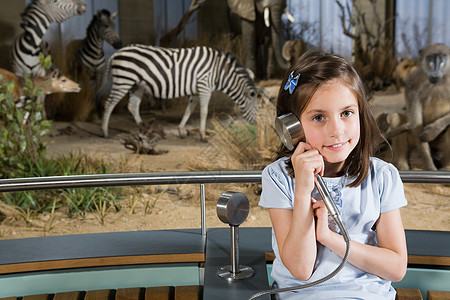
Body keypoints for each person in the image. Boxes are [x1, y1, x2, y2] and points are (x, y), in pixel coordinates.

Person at [259, 50, 408, 299]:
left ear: (360, 113)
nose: (337, 131)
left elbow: (396, 268)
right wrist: (304, 189)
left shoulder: (382, 176)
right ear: (290, 127)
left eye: (347, 113)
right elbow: (300, 268)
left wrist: (329, 238)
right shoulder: (278, 177)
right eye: (319, 117)